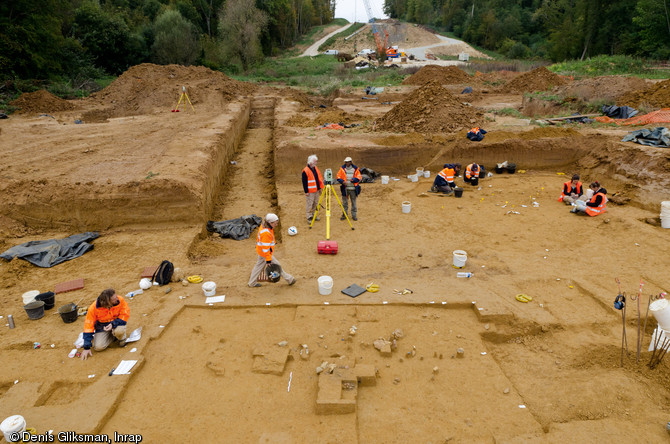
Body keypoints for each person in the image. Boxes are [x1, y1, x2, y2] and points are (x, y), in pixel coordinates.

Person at [248, 213, 296, 287]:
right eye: (275, 223)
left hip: (261, 251)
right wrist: (268, 260)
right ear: (270, 222)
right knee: (277, 265)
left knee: (258, 266)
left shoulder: (266, 226)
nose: (276, 225)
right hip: (265, 253)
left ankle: (252, 283)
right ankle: (289, 279)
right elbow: (266, 249)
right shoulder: (266, 233)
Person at [80, 289, 129, 360]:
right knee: (98, 347)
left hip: (117, 323)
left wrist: (113, 324)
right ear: (108, 303)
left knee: (119, 331)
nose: (117, 299)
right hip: (102, 327)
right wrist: (86, 347)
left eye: (116, 296)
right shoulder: (93, 308)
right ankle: (113, 336)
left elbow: (124, 315)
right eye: (114, 299)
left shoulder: (120, 300)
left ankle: (121, 338)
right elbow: (88, 326)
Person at [336, 156, 362, 221]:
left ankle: (354, 215)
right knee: (345, 203)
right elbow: (338, 177)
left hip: (353, 189)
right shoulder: (342, 169)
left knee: (354, 203)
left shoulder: (355, 169)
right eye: (346, 162)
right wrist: (342, 181)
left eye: (347, 162)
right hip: (345, 189)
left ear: (350, 162)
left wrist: (354, 180)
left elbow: (359, 177)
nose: (346, 163)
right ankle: (344, 215)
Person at [302, 154, 324, 223]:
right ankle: (309, 217)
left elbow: (318, 179)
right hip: (310, 191)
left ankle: (314, 215)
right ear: (311, 162)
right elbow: (304, 182)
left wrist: (320, 187)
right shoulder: (305, 171)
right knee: (309, 204)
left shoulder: (315, 168)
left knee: (316, 203)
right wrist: (306, 192)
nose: (316, 162)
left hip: (316, 190)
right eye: (315, 161)